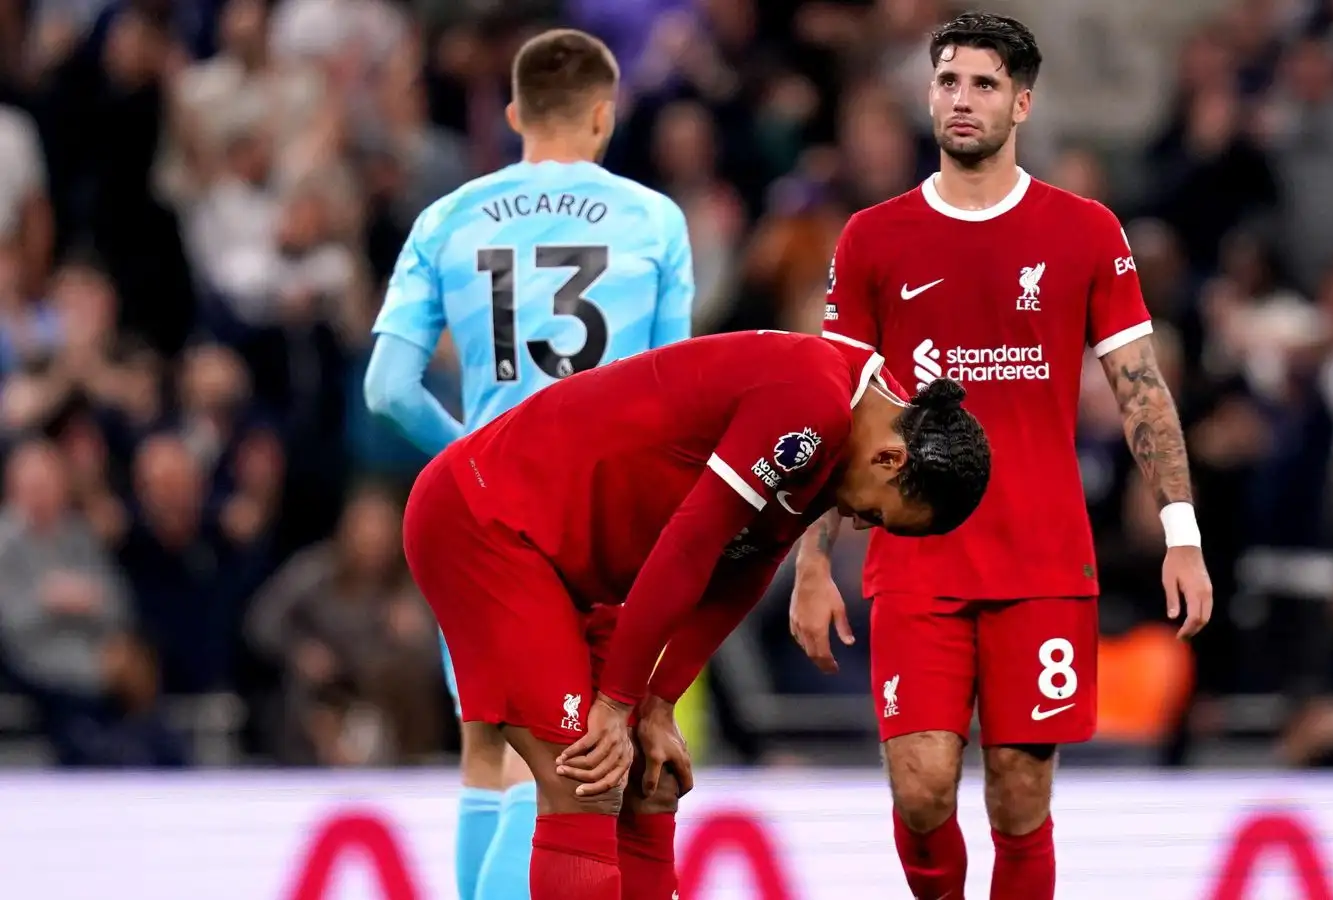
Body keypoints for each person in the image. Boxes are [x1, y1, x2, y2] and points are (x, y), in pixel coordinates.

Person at [789, 12, 1214, 899]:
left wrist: (1183, 533)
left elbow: (1142, 389)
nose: (962, 99)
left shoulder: (1085, 232)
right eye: (948, 81)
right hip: (917, 558)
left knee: (1019, 800)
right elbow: (839, 413)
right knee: (921, 788)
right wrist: (812, 561)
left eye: (983, 85)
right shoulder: (873, 238)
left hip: (1043, 560)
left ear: (1022, 102)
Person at [403, 329, 991, 900]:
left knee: (649, 784)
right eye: (880, 515)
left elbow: (749, 563)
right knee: (584, 781)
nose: (862, 524)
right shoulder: (813, 404)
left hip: (568, 566)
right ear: (891, 457)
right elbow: (691, 544)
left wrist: (657, 701)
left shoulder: (868, 411)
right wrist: (616, 702)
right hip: (490, 522)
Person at [361, 29, 694, 900]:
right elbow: (674, 398)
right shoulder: (653, 219)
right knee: (563, 775)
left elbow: (389, 388)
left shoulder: (447, 217)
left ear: (514, 115)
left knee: (486, 748)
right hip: (596, 529)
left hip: (478, 527)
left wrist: (479, 465)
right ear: (603, 114)